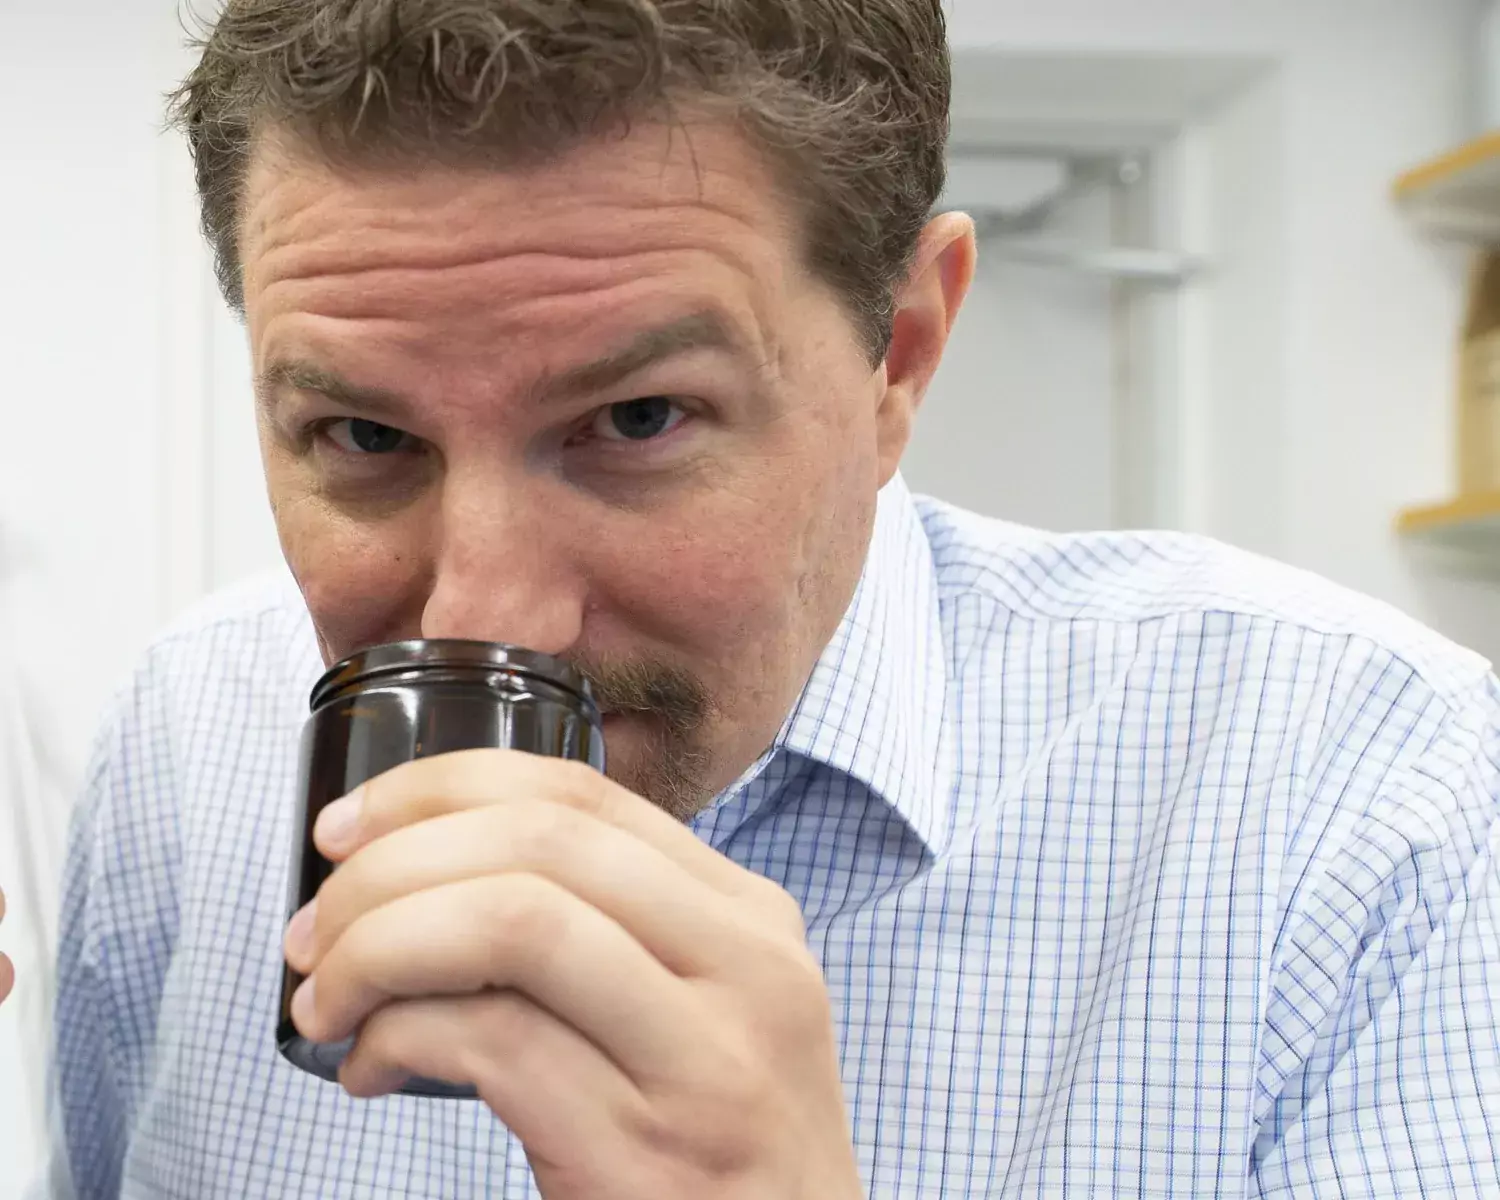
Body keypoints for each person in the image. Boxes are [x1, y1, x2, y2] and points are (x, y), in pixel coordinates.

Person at [24, 0, 1499, 1196]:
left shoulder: (1375, 808)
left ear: (901, 355)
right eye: (364, 438)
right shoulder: (189, 731)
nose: (494, 615)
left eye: (640, 419)